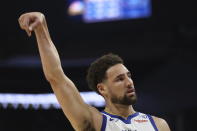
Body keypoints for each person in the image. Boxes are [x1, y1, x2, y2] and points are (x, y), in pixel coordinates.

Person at [18, 12, 171, 131]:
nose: (129, 82)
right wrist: (41, 28)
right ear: (102, 88)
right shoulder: (95, 121)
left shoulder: (159, 125)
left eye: (128, 76)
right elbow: (56, 77)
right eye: (119, 79)